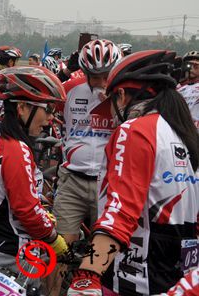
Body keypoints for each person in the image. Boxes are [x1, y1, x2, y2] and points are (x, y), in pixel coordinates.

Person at [67, 50, 199, 296]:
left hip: (134, 273)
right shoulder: (185, 132)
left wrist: (87, 274)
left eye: (113, 103)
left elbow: (120, 210)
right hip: (181, 273)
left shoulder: (134, 131)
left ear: (122, 94)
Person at [0, 66, 69, 291]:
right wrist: (53, 238)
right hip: (14, 250)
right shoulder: (15, 148)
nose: (51, 119)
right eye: (48, 109)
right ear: (22, 107)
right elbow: (26, 210)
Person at [54, 39, 121, 249]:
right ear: (84, 72)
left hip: (108, 184)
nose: (101, 81)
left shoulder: (126, 94)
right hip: (73, 180)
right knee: (60, 248)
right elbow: (44, 101)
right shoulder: (72, 89)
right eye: (94, 77)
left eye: (106, 76)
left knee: (103, 249)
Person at [177, 51, 199, 129]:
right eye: (188, 65)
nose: (191, 68)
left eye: (196, 66)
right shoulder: (177, 87)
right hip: (180, 129)